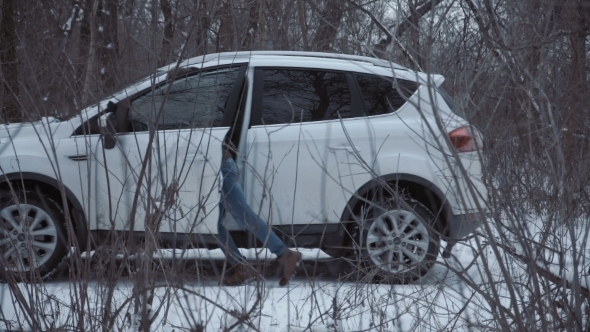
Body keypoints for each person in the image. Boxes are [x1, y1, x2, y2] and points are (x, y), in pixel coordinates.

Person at [216, 126, 301, 286]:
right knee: (216, 225)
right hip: (216, 166)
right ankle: (241, 267)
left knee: (241, 216)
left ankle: (284, 254)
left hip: (222, 167)